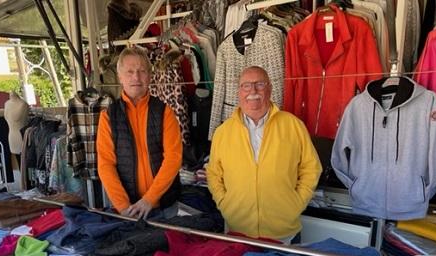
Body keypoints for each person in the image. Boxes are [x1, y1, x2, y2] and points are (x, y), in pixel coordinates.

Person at [207, 66, 322, 243]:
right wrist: (224, 203)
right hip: (238, 233)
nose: (253, 91)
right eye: (246, 85)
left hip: (284, 234)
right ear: (239, 91)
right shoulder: (223, 132)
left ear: (270, 89)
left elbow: (311, 168)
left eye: (259, 84)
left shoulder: (293, 125)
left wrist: (296, 203)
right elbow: (214, 173)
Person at [97, 47, 182, 219]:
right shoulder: (108, 116)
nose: (136, 77)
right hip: (127, 209)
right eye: (130, 72)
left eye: (142, 71)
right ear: (120, 77)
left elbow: (173, 158)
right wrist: (123, 206)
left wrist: (150, 199)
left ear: (150, 76)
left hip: (165, 205)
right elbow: (106, 165)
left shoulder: (165, 112)